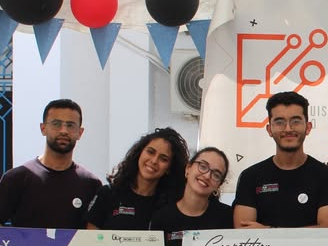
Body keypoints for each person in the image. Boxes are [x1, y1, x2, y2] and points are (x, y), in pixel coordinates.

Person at [234, 91, 328, 228]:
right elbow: (243, 231)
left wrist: (269, 230)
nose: (288, 129)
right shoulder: (250, 177)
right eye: (279, 122)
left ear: (308, 127)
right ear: (269, 129)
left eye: (295, 121)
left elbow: (326, 231)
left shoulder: (327, 177)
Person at [0, 99, 101, 228]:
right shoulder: (16, 178)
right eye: (56, 124)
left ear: (80, 133)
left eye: (70, 125)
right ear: (43, 128)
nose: (63, 130)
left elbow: (96, 234)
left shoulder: (91, 184)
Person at [86, 127, 189, 230]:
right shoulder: (107, 194)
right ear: (140, 152)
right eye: (150, 152)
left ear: (169, 168)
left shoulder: (171, 205)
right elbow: (90, 237)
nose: (154, 161)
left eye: (163, 159)